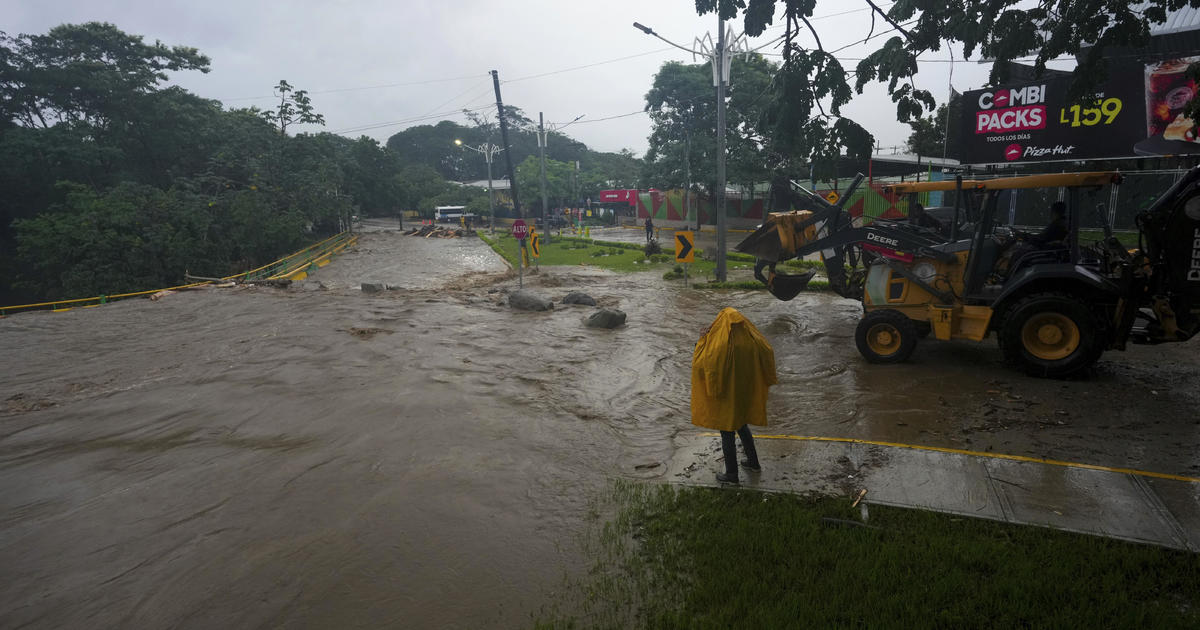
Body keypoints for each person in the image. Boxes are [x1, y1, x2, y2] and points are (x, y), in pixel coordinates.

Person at [691, 307, 778, 484]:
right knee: (743, 426)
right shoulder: (751, 340)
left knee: (727, 433)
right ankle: (753, 463)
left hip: (725, 396)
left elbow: (702, 364)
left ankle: (731, 474)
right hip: (742, 394)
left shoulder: (718, 345)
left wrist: (703, 339)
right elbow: (767, 352)